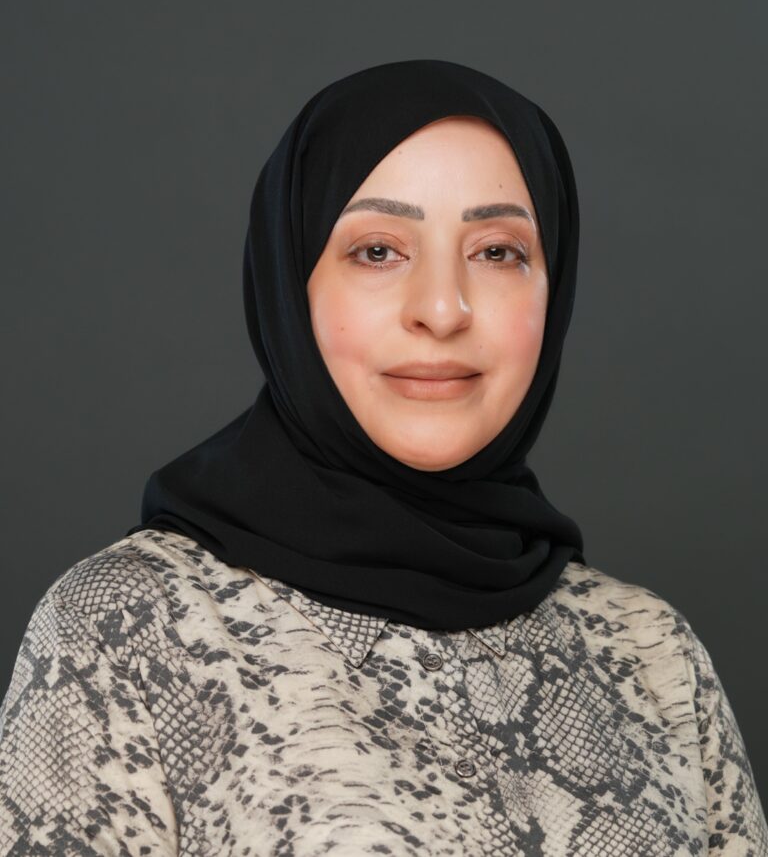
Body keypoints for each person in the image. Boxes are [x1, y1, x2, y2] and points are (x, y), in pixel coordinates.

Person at [1, 58, 766, 856]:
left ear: (555, 286)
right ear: (290, 285)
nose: (441, 309)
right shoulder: (128, 630)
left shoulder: (651, 653)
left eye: (498, 252)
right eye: (377, 251)